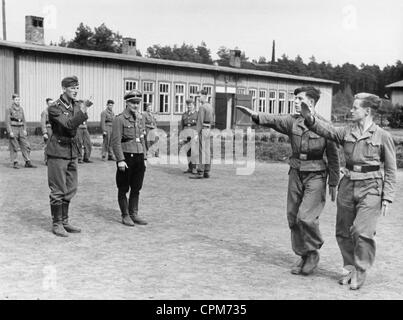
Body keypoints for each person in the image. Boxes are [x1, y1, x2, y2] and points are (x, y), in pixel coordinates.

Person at [236, 86, 340, 276]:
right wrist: (255, 115)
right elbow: (274, 120)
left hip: (316, 174)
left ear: (310, 102)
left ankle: (313, 251)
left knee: (305, 217)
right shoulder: (293, 122)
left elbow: (333, 156)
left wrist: (334, 181)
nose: (295, 101)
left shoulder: (324, 125)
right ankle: (304, 254)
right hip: (295, 172)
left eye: (299, 98)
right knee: (293, 217)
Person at [299, 92, 396, 290]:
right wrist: (309, 117)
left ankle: (361, 270)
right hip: (348, 184)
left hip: (371, 187)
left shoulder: (382, 136)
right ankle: (351, 267)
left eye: (355, 108)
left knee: (361, 231)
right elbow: (326, 130)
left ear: (367, 111)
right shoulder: (347, 132)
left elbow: (391, 169)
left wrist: (387, 197)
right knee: (343, 232)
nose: (351, 110)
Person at [46, 76, 93, 237]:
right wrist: (84, 109)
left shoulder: (76, 105)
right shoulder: (54, 108)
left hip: (72, 151)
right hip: (58, 151)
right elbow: (69, 124)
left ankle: (65, 221)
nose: (76, 91)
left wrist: (81, 109)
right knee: (58, 189)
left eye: (77, 88)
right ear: (64, 88)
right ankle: (57, 223)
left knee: (71, 188)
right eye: (72, 88)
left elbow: (76, 124)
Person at [111, 89, 148, 227]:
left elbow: (143, 138)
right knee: (123, 187)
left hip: (139, 156)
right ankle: (125, 215)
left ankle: (134, 213)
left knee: (136, 187)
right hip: (126, 157)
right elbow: (115, 141)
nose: (136, 105)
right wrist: (120, 159)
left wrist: (144, 157)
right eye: (133, 103)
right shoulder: (119, 119)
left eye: (138, 103)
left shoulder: (140, 118)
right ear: (127, 103)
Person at [5, 94, 36, 169]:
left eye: (18, 99)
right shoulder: (9, 109)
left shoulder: (21, 109)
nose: (17, 101)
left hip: (21, 128)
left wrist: (25, 129)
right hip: (13, 128)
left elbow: (24, 120)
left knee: (25, 145)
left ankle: (27, 161)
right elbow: (7, 121)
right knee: (14, 146)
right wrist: (10, 131)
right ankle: (15, 162)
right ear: (13, 100)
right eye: (16, 100)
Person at [189, 89, 214, 179]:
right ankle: (207, 171)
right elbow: (212, 121)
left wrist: (196, 133)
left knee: (201, 151)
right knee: (207, 151)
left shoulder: (202, 107)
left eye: (199, 96)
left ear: (204, 96)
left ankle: (200, 172)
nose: (198, 98)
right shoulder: (210, 106)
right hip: (208, 130)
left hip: (203, 130)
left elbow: (200, 121)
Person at [181, 98, 198, 174]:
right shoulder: (184, 114)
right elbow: (181, 126)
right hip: (186, 135)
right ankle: (190, 167)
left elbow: (199, 125)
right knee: (187, 152)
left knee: (193, 152)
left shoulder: (197, 114)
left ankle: (194, 168)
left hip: (194, 135)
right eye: (188, 105)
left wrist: (197, 135)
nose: (189, 106)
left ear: (194, 105)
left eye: (190, 105)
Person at [41, 98, 54, 165]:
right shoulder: (45, 112)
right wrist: (44, 133)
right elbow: (43, 123)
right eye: (50, 103)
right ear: (47, 104)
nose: (51, 104)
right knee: (48, 145)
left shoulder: (54, 111)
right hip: (48, 129)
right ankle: (46, 160)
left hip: (54, 130)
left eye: (52, 103)